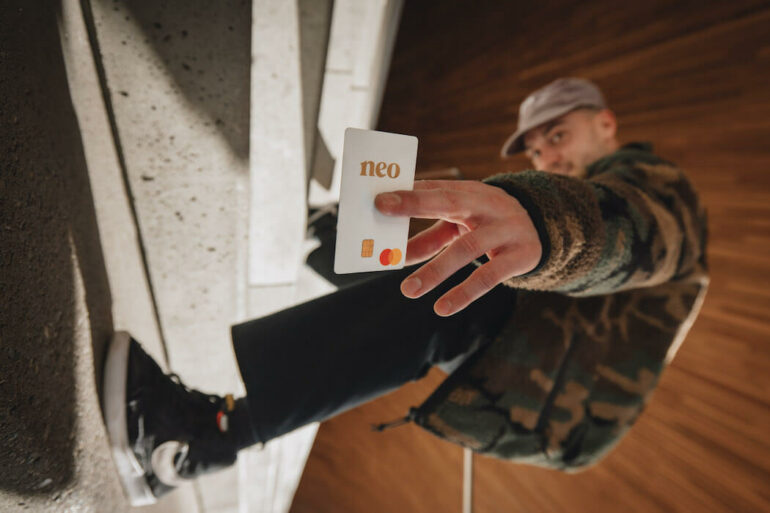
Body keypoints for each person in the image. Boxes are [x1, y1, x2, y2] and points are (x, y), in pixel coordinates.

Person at [101, 77, 709, 505]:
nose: (545, 153)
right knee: (440, 267)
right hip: (548, 365)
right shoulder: (598, 190)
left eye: (558, 134)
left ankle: (202, 436)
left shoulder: (657, 188)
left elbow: (642, 232)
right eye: (534, 146)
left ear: (606, 124)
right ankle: (327, 240)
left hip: (575, 405)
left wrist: (547, 225)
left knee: (470, 284)